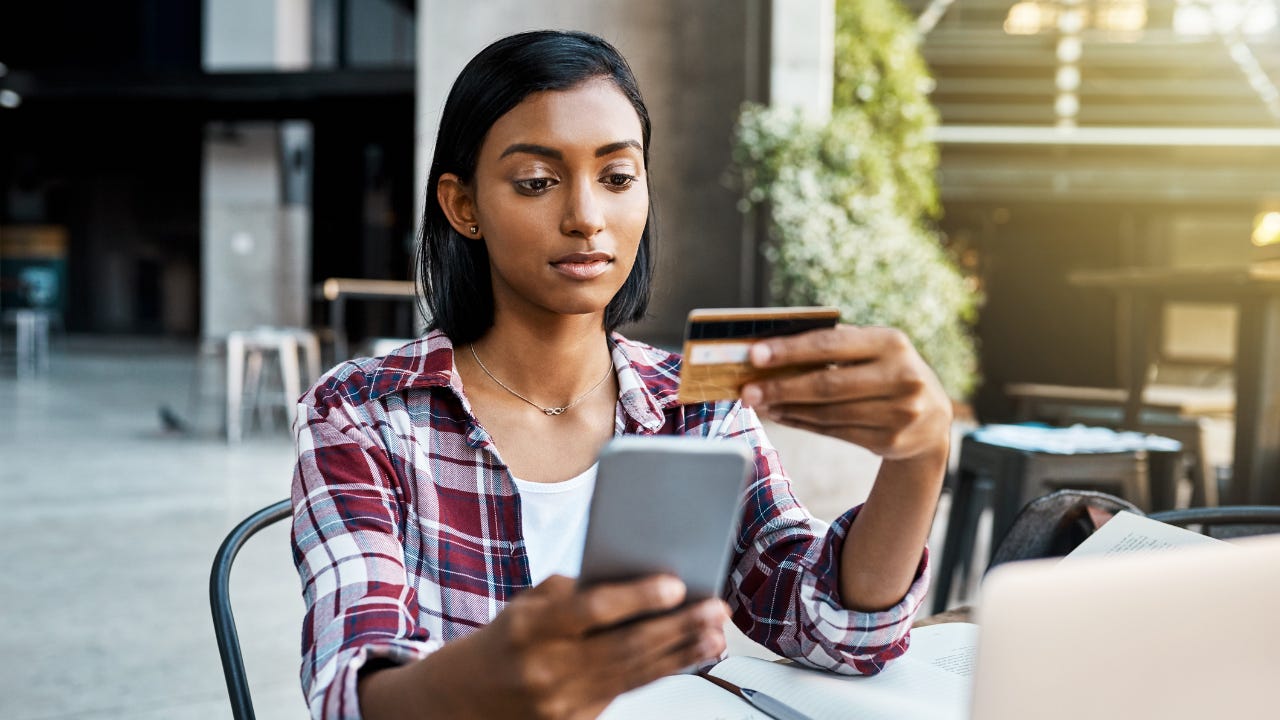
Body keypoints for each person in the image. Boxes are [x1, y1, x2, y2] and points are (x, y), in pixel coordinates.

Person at [291, 29, 951, 720]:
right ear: (463, 206)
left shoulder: (694, 406)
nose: (585, 218)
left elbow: (830, 627)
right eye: (537, 182)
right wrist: (488, 680)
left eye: (616, 178)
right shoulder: (363, 414)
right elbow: (351, 694)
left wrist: (918, 456)